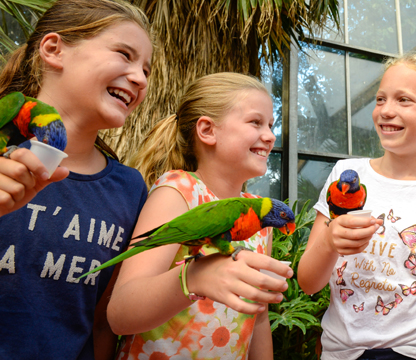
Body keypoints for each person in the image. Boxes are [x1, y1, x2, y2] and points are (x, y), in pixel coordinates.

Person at [297, 44, 416, 360]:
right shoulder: (347, 174)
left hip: (414, 354)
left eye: (404, 100)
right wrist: (328, 241)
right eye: (380, 98)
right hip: (341, 353)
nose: (385, 110)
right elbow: (308, 283)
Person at [0, 0, 152, 359]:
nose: (141, 78)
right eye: (124, 54)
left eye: (146, 69)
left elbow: (102, 322)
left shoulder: (130, 189)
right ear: (54, 50)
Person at [107, 73, 292, 360]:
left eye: (271, 124)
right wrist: (193, 278)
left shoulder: (259, 219)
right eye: (256, 122)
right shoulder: (180, 192)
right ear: (207, 130)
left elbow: (260, 316)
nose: (270, 135)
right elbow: (121, 312)